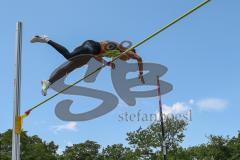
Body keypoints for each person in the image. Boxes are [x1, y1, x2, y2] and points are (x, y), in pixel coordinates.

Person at [30, 35, 144, 96]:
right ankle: (45, 39)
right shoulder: (122, 50)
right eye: (128, 58)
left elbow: (97, 57)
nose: (126, 60)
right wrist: (140, 74)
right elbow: (139, 58)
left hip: (91, 53)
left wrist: (107, 64)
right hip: (91, 46)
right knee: (69, 56)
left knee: (71, 67)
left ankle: (48, 82)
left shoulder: (115, 55)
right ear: (130, 53)